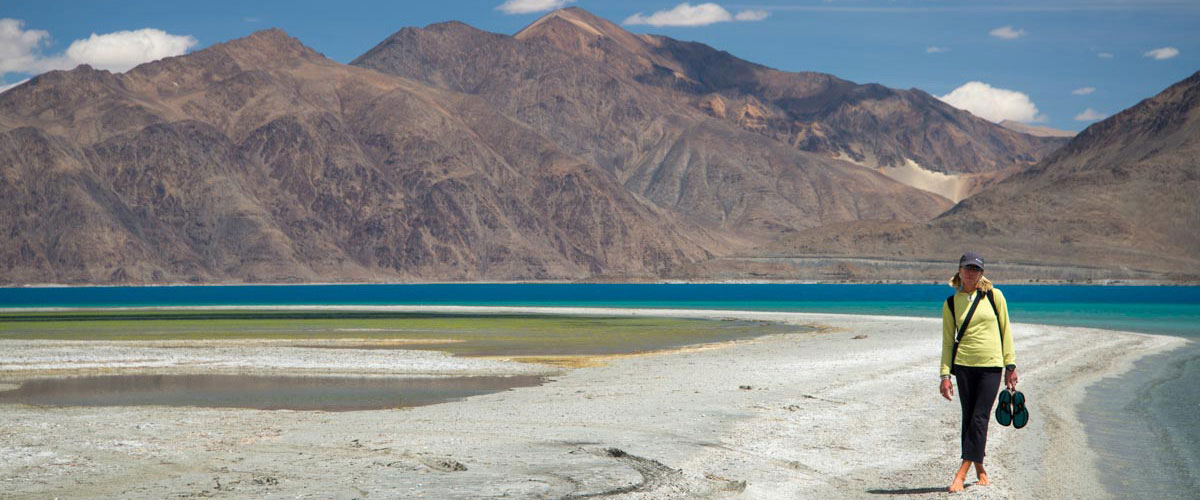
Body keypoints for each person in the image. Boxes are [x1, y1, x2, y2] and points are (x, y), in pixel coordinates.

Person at [939, 252, 1017, 493]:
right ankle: (980, 467)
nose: (971, 273)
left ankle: (960, 474)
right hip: (963, 366)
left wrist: (1010, 366)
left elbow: (1006, 330)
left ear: (982, 273)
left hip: (991, 366)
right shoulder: (951, 303)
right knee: (969, 418)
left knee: (980, 417)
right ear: (959, 271)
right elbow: (947, 342)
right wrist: (945, 375)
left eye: (976, 269)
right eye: (967, 268)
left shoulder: (995, 296)